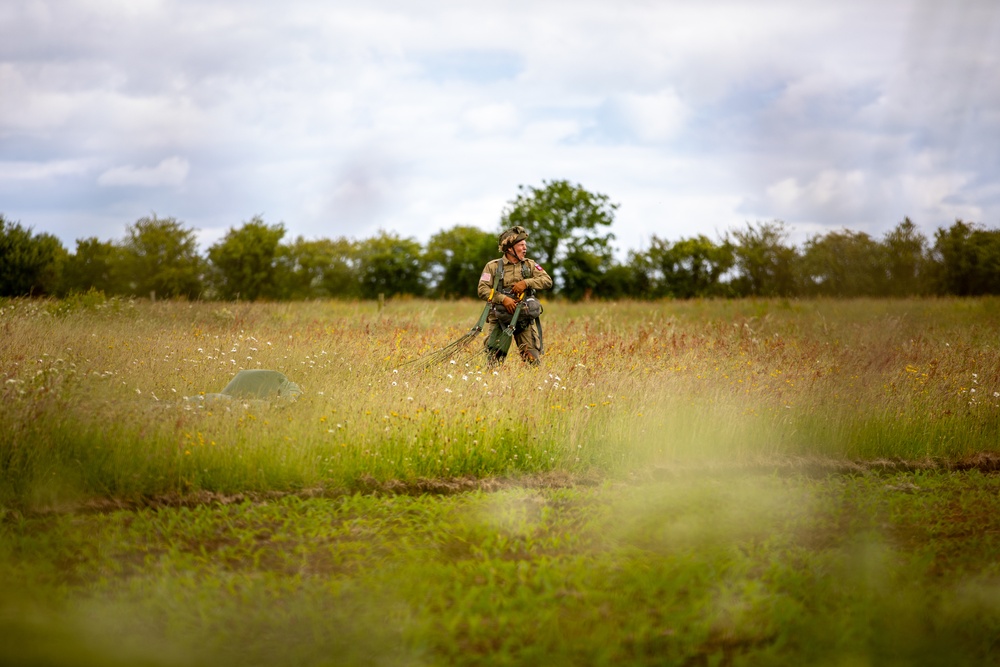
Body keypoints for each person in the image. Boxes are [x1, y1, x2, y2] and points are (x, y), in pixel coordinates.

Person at [477, 225, 553, 365]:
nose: (525, 248)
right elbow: (482, 289)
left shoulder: (529, 265)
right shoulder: (493, 266)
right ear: (509, 248)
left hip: (524, 319)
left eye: (525, 245)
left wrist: (526, 283)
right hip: (500, 319)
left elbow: (547, 281)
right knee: (494, 362)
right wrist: (503, 299)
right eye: (521, 245)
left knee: (533, 362)